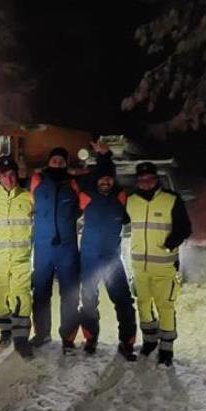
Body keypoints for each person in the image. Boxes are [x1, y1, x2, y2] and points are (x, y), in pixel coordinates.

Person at [65, 144, 138, 360]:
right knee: (88, 300)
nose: (105, 182)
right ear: (96, 180)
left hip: (112, 259)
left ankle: (127, 342)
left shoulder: (121, 197)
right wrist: (103, 156)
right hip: (89, 257)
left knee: (124, 301)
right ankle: (90, 339)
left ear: (113, 181)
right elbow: (69, 182)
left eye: (109, 179)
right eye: (102, 179)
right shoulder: (87, 195)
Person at [126, 162, 192, 367]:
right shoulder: (131, 201)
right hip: (139, 266)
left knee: (165, 306)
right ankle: (149, 341)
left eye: (150, 179)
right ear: (137, 182)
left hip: (164, 265)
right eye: (142, 180)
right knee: (143, 304)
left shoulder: (171, 200)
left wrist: (169, 244)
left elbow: (185, 228)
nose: (146, 183)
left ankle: (166, 348)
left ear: (156, 179)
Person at [28, 147, 82, 352]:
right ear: (49, 161)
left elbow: (87, 199)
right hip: (43, 247)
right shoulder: (37, 179)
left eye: (61, 160)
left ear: (66, 163)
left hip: (66, 247)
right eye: (55, 159)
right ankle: (42, 334)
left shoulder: (73, 182)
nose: (58, 162)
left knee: (69, 293)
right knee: (41, 292)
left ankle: (68, 337)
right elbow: (10, 181)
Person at [0, 156, 34, 358]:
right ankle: (5, 330)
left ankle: (21, 339)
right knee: (0, 297)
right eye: (4, 175)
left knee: (22, 296)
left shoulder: (28, 196)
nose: (9, 179)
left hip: (21, 258)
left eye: (12, 174)